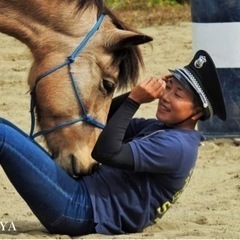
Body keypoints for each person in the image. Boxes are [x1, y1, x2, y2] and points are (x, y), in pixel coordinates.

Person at [0, 50, 226, 236]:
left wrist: (136, 100)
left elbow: (106, 153)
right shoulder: (162, 129)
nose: (166, 96)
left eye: (178, 94)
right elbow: (107, 119)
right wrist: (132, 96)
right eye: (168, 87)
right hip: (78, 197)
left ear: (197, 112)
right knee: (3, 126)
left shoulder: (177, 147)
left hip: (79, 211)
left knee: (2, 136)